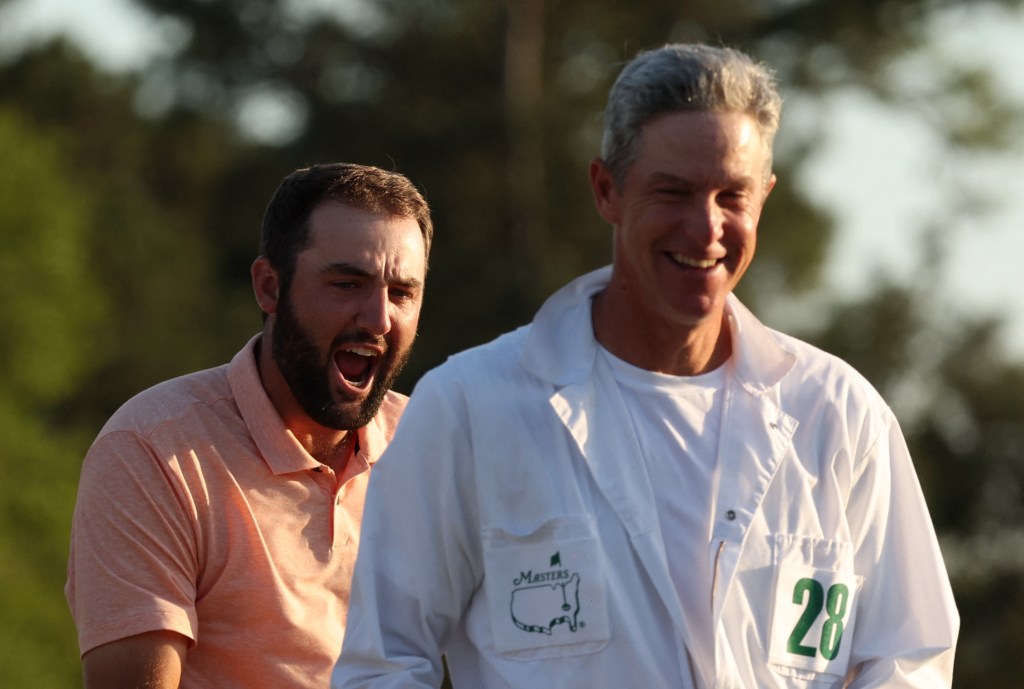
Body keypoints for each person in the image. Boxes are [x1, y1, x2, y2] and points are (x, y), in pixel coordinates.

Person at [333, 44, 958, 689]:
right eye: (674, 192)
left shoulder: (839, 414)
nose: (706, 227)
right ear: (607, 190)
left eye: (731, 195)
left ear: (764, 197)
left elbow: (908, 658)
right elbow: (383, 666)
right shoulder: (471, 406)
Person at [65, 162, 433, 689]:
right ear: (269, 287)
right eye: (347, 283)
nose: (377, 317)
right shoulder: (153, 450)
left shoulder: (434, 448)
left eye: (401, 292)